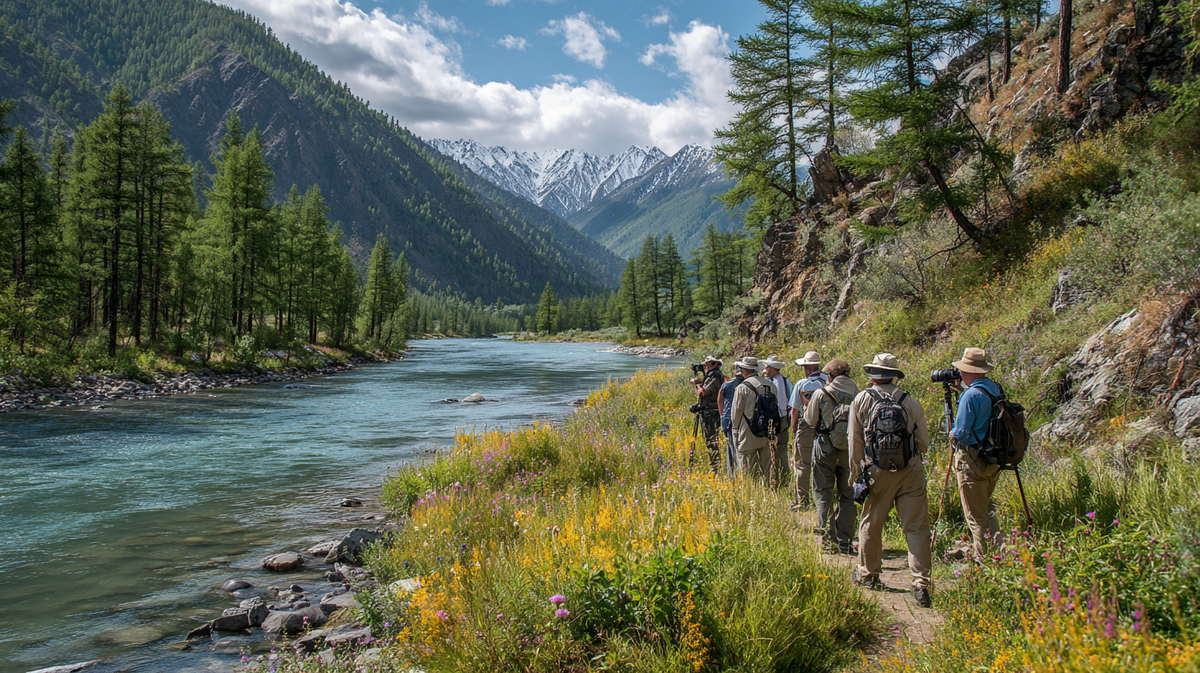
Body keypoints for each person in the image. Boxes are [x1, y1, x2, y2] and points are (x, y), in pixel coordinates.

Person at [848, 353, 934, 608]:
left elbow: (855, 442)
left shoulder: (861, 399)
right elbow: (924, 443)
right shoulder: (911, 402)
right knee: (916, 528)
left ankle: (869, 574)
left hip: (876, 470)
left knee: (871, 523)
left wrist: (856, 473)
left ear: (872, 374)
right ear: (895, 375)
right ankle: (921, 584)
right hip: (911, 470)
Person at [948, 347, 1005, 560]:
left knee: (975, 515)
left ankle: (985, 561)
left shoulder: (971, 395)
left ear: (966, 371)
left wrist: (952, 435)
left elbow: (962, 432)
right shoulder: (994, 389)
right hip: (993, 458)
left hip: (973, 459)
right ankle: (998, 554)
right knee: (987, 508)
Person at [803, 358, 859, 554]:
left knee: (823, 492)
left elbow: (810, 420)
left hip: (825, 448)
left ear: (830, 376)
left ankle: (827, 540)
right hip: (850, 451)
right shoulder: (859, 394)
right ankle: (845, 540)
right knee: (848, 495)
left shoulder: (821, 393)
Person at [788, 351, 829, 509]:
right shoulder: (827, 381)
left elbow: (795, 410)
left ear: (809, 366)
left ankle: (802, 500)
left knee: (802, 463)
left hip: (805, 426)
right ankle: (822, 499)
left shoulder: (801, 384)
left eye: (805, 365)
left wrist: (793, 429)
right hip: (824, 426)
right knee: (822, 462)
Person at [730, 356, 773, 480]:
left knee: (747, 471)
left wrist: (735, 432)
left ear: (744, 371)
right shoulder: (770, 385)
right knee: (766, 470)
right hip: (766, 431)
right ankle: (767, 493)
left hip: (747, 431)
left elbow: (736, 413)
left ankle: (751, 494)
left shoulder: (742, 388)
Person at [690, 356, 725, 474]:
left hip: (711, 412)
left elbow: (703, 392)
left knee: (711, 439)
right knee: (710, 439)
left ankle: (715, 467)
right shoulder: (711, 375)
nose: (705, 364)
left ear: (712, 363)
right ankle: (715, 465)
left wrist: (697, 384)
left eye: (707, 362)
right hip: (708, 411)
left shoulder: (715, 375)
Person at [763, 355, 792, 487]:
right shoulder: (786, 381)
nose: (765, 369)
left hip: (776, 419)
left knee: (775, 450)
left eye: (767, 367)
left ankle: (778, 478)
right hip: (783, 419)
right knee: (781, 450)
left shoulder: (771, 382)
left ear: (771, 368)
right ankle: (783, 478)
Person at [718, 362, 746, 478]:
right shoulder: (747, 384)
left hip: (728, 418)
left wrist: (722, 415)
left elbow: (720, 399)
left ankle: (732, 474)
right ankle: (742, 471)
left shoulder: (726, 385)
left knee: (730, 447)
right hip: (743, 418)